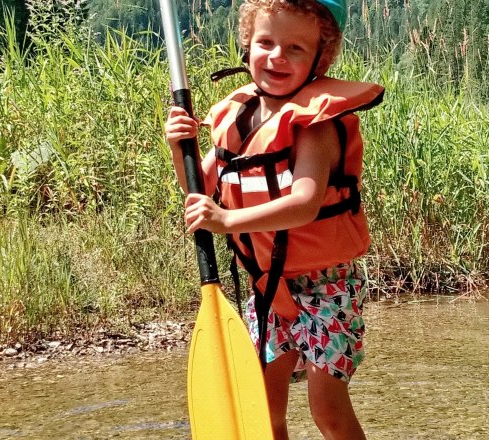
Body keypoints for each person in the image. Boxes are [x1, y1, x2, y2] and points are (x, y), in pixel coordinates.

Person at [164, 1, 384, 438]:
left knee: (327, 411)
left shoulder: (316, 125)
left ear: (320, 59)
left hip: (328, 287)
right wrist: (180, 148)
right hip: (269, 289)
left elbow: (304, 203)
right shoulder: (239, 115)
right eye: (265, 42)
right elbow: (200, 190)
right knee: (264, 414)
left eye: (295, 48)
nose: (277, 56)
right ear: (247, 46)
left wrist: (226, 221)